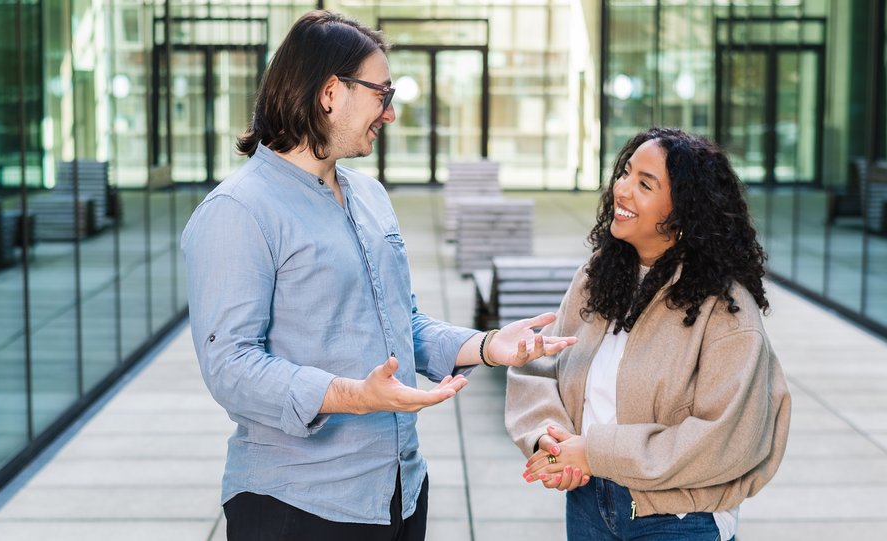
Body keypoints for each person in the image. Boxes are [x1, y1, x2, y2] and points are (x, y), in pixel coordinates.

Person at [181, 10, 575, 541]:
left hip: (400, 492)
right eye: (381, 94)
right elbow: (230, 366)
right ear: (329, 93)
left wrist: (486, 346)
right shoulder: (238, 210)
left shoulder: (370, 196)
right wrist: (352, 396)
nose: (389, 113)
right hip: (297, 505)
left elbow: (402, 325)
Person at [505, 127, 791, 541]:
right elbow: (540, 366)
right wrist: (549, 444)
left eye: (645, 183)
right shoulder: (598, 275)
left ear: (685, 209)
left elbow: (725, 437)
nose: (622, 189)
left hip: (679, 518)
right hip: (589, 502)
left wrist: (594, 452)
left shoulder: (725, 308)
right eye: (625, 173)